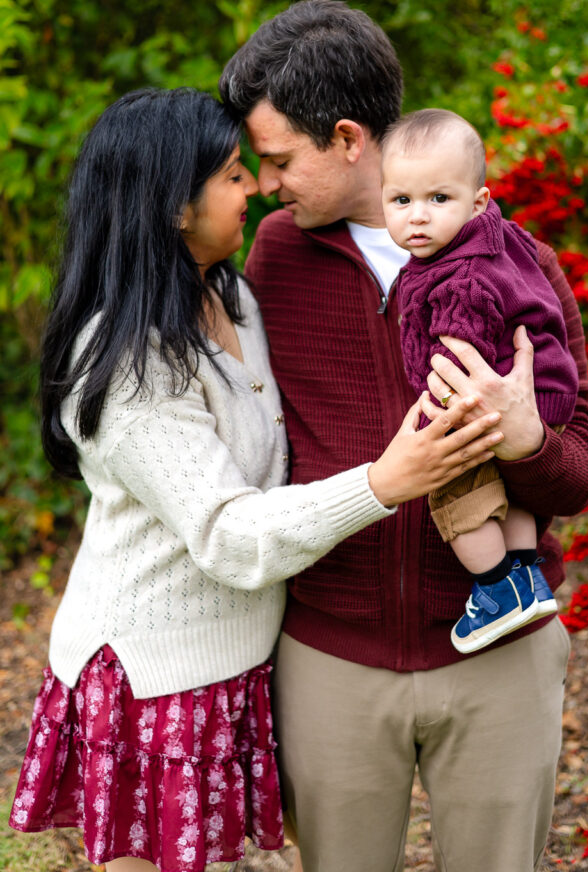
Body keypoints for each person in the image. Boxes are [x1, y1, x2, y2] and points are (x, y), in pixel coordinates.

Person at [9, 87, 501, 872]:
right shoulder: (129, 361)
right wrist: (383, 482)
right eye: (235, 174)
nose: (258, 188)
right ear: (174, 206)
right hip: (152, 676)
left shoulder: (227, 293)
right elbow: (227, 534)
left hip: (238, 659)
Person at [220, 0, 588, 872]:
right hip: (330, 658)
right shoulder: (273, 258)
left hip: (499, 659)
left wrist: (524, 441)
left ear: (348, 139)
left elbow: (580, 477)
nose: (267, 185)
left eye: (279, 160)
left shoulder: (518, 263)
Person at [382, 107, 580, 654]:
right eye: (401, 201)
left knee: (455, 487)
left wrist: (434, 424)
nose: (417, 217)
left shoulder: (457, 277)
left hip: (492, 397)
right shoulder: (500, 240)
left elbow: (456, 361)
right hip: (543, 391)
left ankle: (495, 591)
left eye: (437, 199)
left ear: (478, 201)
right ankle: (525, 576)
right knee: (509, 483)